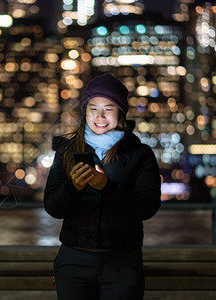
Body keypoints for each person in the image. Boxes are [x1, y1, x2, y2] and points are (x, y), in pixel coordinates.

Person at [44, 73, 161, 300]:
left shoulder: (140, 154)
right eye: (93, 108)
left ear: (121, 113)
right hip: (74, 260)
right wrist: (73, 187)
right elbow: (52, 207)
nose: (100, 116)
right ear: (85, 112)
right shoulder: (67, 151)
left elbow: (147, 207)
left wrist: (107, 188)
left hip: (122, 262)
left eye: (108, 108)